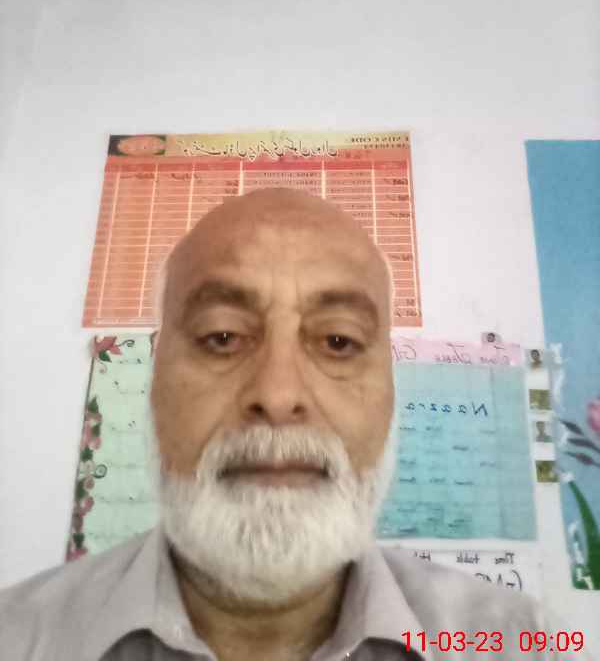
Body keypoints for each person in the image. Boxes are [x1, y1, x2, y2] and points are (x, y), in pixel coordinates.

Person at [0, 189, 581, 660]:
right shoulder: (18, 638)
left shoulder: (521, 644)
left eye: (339, 341)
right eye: (221, 336)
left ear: (390, 393)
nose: (278, 397)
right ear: (154, 382)